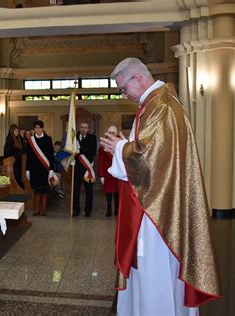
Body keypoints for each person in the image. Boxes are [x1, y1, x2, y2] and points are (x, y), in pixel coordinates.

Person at [100, 57, 221, 315]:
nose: (124, 95)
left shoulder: (162, 106)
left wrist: (120, 149)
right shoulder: (156, 104)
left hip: (157, 212)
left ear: (139, 78)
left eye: (124, 88)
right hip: (157, 201)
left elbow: (149, 157)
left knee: (153, 270)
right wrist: (125, 144)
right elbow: (152, 150)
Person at [25, 120, 55, 216]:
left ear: (42, 128)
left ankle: (43, 210)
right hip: (34, 169)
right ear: (34, 129)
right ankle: (36, 209)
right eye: (36, 128)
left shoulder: (48, 139)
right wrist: (27, 169)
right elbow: (28, 156)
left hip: (45, 168)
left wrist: (51, 169)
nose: (37, 129)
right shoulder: (31, 140)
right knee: (37, 189)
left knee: (45, 189)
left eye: (39, 128)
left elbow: (51, 155)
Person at [72, 122, 97, 217]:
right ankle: (76, 209)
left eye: (85, 127)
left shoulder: (92, 138)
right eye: (82, 127)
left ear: (88, 129)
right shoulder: (74, 138)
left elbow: (93, 151)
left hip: (87, 167)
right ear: (80, 128)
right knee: (76, 190)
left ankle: (88, 210)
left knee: (89, 190)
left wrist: (80, 151)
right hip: (77, 167)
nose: (83, 129)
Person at [97, 125, 119, 217]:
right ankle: (109, 209)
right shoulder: (103, 145)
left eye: (113, 133)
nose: (111, 134)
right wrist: (101, 175)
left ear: (116, 134)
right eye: (110, 132)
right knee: (108, 192)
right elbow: (100, 161)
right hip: (107, 173)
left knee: (117, 192)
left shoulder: (120, 143)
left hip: (118, 172)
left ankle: (117, 210)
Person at [4, 124, 24, 189]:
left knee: (19, 176)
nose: (17, 133)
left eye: (17, 131)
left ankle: (20, 188)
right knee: (16, 176)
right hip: (13, 162)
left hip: (18, 162)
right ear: (12, 131)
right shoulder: (9, 140)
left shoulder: (18, 139)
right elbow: (7, 152)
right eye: (15, 131)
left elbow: (23, 149)